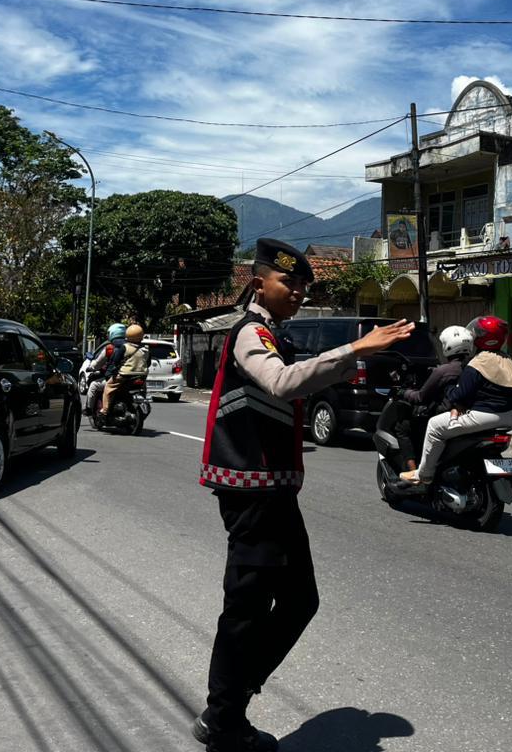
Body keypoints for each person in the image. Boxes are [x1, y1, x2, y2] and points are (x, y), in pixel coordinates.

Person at [193, 237, 414, 752]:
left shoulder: (273, 333)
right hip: (250, 492)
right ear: (258, 283)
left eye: (302, 285)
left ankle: (232, 699)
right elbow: (281, 382)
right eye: (288, 281)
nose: (296, 291)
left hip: (273, 490)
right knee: (246, 607)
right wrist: (355, 347)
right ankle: (223, 718)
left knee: (299, 600)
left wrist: (352, 363)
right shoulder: (249, 332)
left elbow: (294, 384)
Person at [398, 315, 512, 487]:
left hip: (486, 416)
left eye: (477, 333)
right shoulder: (508, 361)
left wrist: (451, 392)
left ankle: (423, 475)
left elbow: (459, 395)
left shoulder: (478, 363)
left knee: (434, 426)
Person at [395, 325, 474, 472]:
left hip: (444, 415)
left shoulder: (443, 371)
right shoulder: (475, 367)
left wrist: (403, 392)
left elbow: (420, 397)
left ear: (447, 346)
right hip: (471, 414)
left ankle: (414, 473)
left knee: (403, 428)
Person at [99, 324, 149, 418]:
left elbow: (116, 360)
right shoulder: (145, 349)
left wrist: (113, 368)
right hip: (141, 376)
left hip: (125, 375)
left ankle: (104, 411)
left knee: (108, 387)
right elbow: (148, 362)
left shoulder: (125, 347)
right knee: (143, 390)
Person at [84, 323, 127, 415]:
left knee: (93, 385)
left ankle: (89, 409)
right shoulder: (130, 346)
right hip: (130, 378)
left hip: (116, 377)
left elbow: (98, 363)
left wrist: (91, 367)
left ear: (112, 333)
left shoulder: (110, 348)